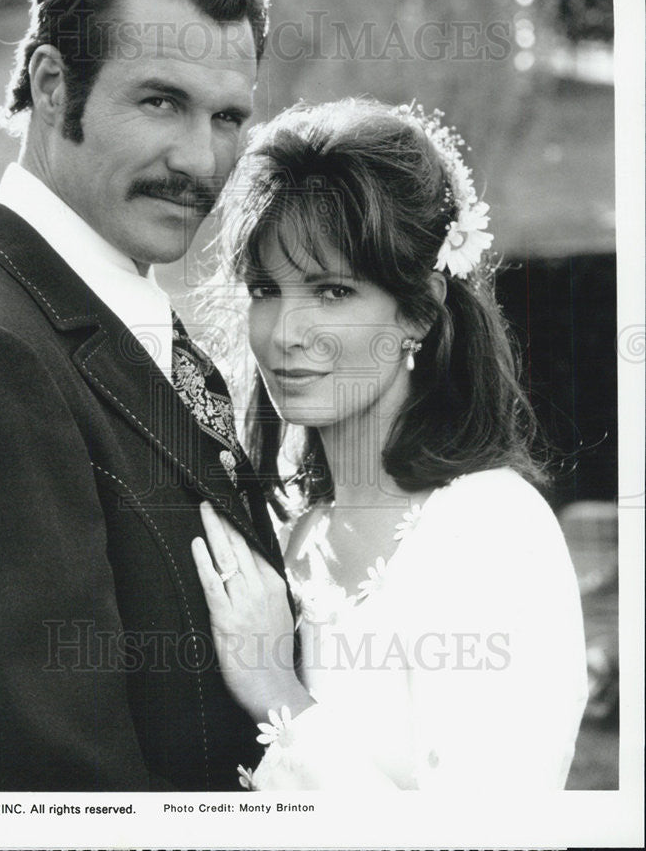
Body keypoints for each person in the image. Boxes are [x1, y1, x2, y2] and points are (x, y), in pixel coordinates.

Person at [0, 0, 289, 791]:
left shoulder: (121, 306)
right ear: (52, 84)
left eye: (229, 116)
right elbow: (49, 790)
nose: (201, 160)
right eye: (160, 101)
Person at [192, 98, 589, 791]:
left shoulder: (491, 528)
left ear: (420, 309)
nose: (285, 332)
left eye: (333, 290)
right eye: (264, 288)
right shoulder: (289, 539)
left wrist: (276, 693)